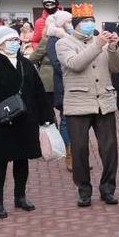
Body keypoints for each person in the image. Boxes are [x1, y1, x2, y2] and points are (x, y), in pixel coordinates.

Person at [0, 26, 54, 218]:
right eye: (11, 40)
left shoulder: (25, 63)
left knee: (22, 161)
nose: (16, 43)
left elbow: (38, 92)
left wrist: (46, 117)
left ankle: (20, 196)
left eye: (17, 40)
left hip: (25, 121)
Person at [55, 3, 119, 207]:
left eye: (91, 21)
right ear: (76, 24)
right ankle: (84, 190)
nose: (89, 24)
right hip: (78, 103)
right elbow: (75, 64)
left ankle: (108, 189)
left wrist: (112, 48)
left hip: (104, 101)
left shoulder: (101, 41)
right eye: (85, 21)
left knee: (109, 148)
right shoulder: (64, 43)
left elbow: (118, 67)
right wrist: (98, 45)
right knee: (79, 149)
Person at [43, 9, 74, 172]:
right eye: (68, 21)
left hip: (75, 84)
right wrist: (75, 68)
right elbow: (57, 63)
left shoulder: (72, 37)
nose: (70, 24)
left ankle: (78, 155)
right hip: (63, 84)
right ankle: (68, 154)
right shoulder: (53, 39)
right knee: (66, 119)